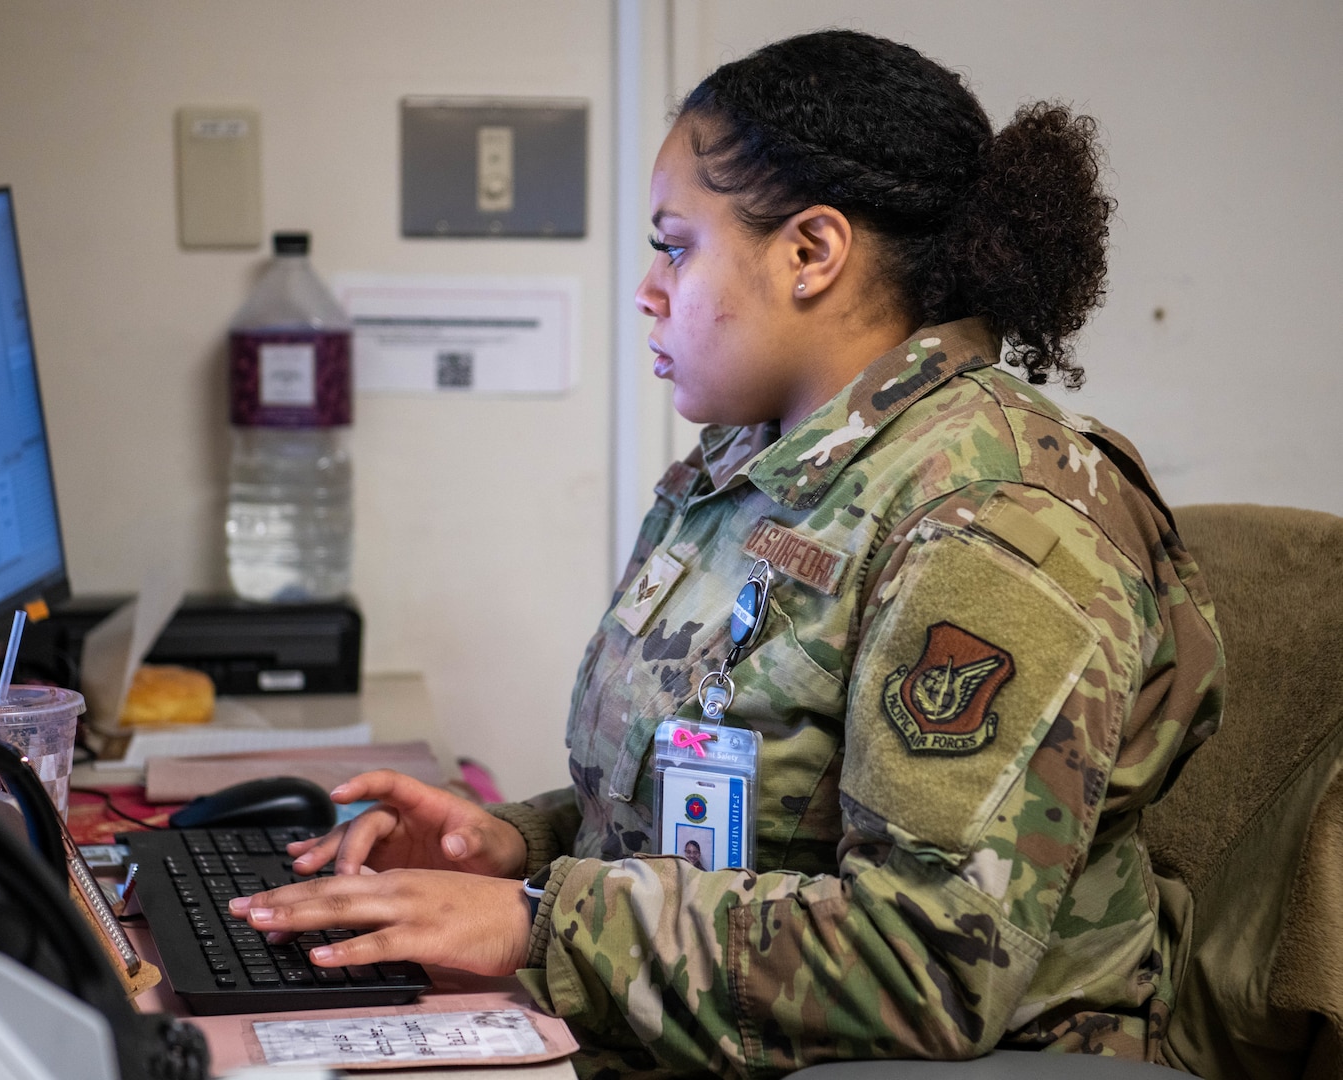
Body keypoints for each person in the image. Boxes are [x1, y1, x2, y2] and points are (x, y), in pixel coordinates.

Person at [227, 29, 1225, 1075]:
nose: (650, 290)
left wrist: (533, 920)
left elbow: (929, 961)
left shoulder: (996, 524)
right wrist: (520, 844)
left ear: (811, 252)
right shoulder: (764, 466)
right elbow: (752, 806)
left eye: (675, 245)